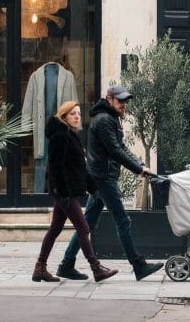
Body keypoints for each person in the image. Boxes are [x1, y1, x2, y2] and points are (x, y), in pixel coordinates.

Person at [56, 85, 164, 281]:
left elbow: (121, 147)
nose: (124, 105)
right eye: (120, 101)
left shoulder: (110, 118)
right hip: (103, 178)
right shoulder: (105, 120)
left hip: (101, 177)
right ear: (109, 99)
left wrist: (140, 164)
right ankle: (138, 265)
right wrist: (138, 169)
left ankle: (66, 264)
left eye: (125, 101)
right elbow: (115, 151)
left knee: (87, 223)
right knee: (122, 220)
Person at [32, 101, 118, 283]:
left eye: (78, 113)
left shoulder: (71, 136)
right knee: (83, 228)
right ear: (64, 117)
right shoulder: (61, 137)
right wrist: (61, 191)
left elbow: (79, 167)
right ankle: (96, 268)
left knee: (55, 228)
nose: (77, 116)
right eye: (72, 114)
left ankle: (40, 268)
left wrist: (92, 187)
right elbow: (55, 167)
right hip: (65, 192)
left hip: (66, 191)